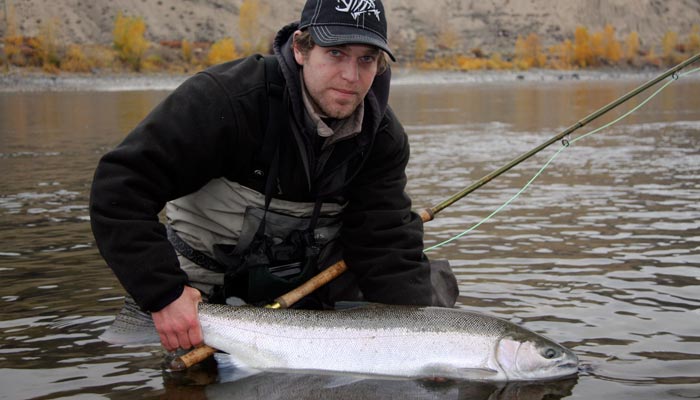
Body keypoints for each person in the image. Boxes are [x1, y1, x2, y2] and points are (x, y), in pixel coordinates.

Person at [90, 0, 457, 353]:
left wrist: (427, 341)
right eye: (336, 53)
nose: (351, 76)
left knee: (430, 293)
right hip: (205, 285)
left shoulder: (382, 136)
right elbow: (120, 186)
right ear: (300, 47)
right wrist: (162, 293)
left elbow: (384, 243)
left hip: (308, 279)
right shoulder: (226, 101)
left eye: (366, 59)